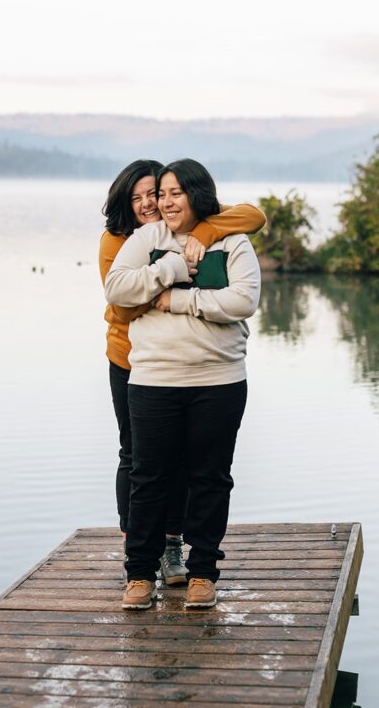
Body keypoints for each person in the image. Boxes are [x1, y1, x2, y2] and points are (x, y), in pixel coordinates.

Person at [99, 161, 265, 585]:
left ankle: (180, 553)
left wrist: (202, 239)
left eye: (160, 193)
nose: (153, 203)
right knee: (139, 460)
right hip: (131, 358)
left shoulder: (219, 230)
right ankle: (137, 557)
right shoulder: (121, 240)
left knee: (201, 470)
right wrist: (167, 271)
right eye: (141, 197)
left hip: (211, 373)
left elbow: (253, 218)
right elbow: (123, 302)